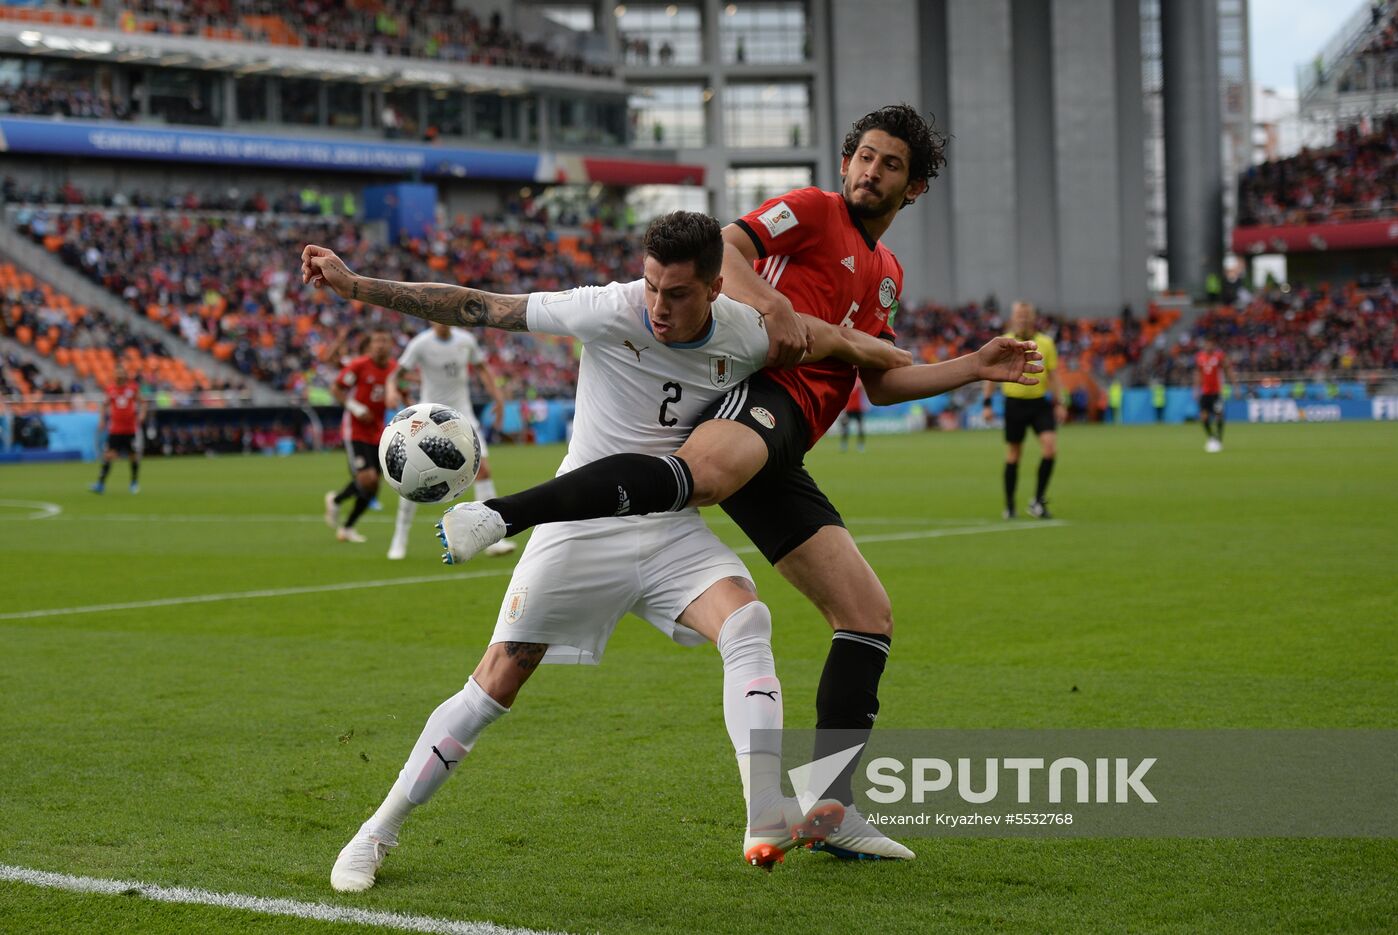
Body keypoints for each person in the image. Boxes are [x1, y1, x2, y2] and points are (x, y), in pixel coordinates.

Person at [429, 105, 1043, 860]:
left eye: (890, 166)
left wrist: (974, 367)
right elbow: (727, 243)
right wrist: (774, 303)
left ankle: (831, 806)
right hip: (761, 397)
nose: (870, 172)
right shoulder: (815, 211)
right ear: (847, 159)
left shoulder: (887, 275)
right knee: (704, 476)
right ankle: (505, 513)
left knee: (867, 615)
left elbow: (881, 376)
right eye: (865, 156)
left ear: (913, 188)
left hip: (791, 447)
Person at [301, 211, 906, 889]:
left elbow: (820, 337)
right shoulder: (606, 309)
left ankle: (765, 807)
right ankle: (375, 830)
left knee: (747, 620)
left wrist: (891, 355)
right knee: (499, 676)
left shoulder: (746, 332)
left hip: (670, 526)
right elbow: (479, 304)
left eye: (675, 293)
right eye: (650, 285)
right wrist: (356, 288)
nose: (657, 305)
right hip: (579, 523)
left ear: (715, 288)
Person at [384, 322, 514, 561]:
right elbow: (396, 376)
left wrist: (498, 397)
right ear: (430, 319)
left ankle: (493, 537)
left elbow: (482, 368)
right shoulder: (420, 344)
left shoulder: (465, 340)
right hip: (428, 422)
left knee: (483, 471)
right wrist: (392, 390)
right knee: (411, 479)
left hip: (462, 421)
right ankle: (399, 537)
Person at [983, 301, 1064, 520]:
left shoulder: (1046, 342)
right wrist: (987, 403)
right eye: (1019, 315)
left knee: (1050, 448)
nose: (1023, 319)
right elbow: (991, 374)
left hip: (1039, 402)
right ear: (1012, 317)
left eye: (1026, 315)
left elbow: (1053, 374)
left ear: (1033, 317)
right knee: (1014, 454)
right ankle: (1009, 505)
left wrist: (1060, 402)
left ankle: (1037, 501)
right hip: (1014, 403)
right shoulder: (1004, 343)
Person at [324, 328, 396, 543]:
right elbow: (336, 388)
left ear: (391, 346)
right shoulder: (358, 365)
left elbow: (402, 391)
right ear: (371, 345)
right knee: (368, 478)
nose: (380, 345)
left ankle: (345, 523)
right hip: (355, 429)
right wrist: (355, 408)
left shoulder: (394, 369)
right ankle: (337, 503)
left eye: (384, 341)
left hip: (378, 431)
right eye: (377, 341)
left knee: (373, 485)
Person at [90, 362, 145, 494]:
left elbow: (142, 402)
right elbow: (104, 405)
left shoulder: (133, 388)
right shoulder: (110, 389)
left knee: (133, 456)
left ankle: (134, 482)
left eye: (122, 372)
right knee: (109, 455)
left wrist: (142, 415)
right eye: (117, 372)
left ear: (125, 374)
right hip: (115, 429)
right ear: (114, 374)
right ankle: (100, 484)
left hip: (130, 429)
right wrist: (102, 420)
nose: (120, 374)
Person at [1193, 336, 1236, 453]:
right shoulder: (1200, 357)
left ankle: (1219, 440)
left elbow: (1229, 370)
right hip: (1205, 393)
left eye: (1211, 344)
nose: (1209, 346)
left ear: (1214, 345)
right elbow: (1198, 374)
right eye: (1207, 344)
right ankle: (1212, 437)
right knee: (1204, 417)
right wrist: (1196, 390)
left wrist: (1235, 387)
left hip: (1217, 393)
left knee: (1219, 415)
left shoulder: (1219, 356)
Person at [839, 379, 868, 452]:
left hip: (858, 408)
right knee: (845, 428)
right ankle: (844, 445)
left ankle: (860, 445)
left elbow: (864, 391)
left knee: (860, 428)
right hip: (849, 408)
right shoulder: (848, 381)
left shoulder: (859, 381)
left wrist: (866, 403)